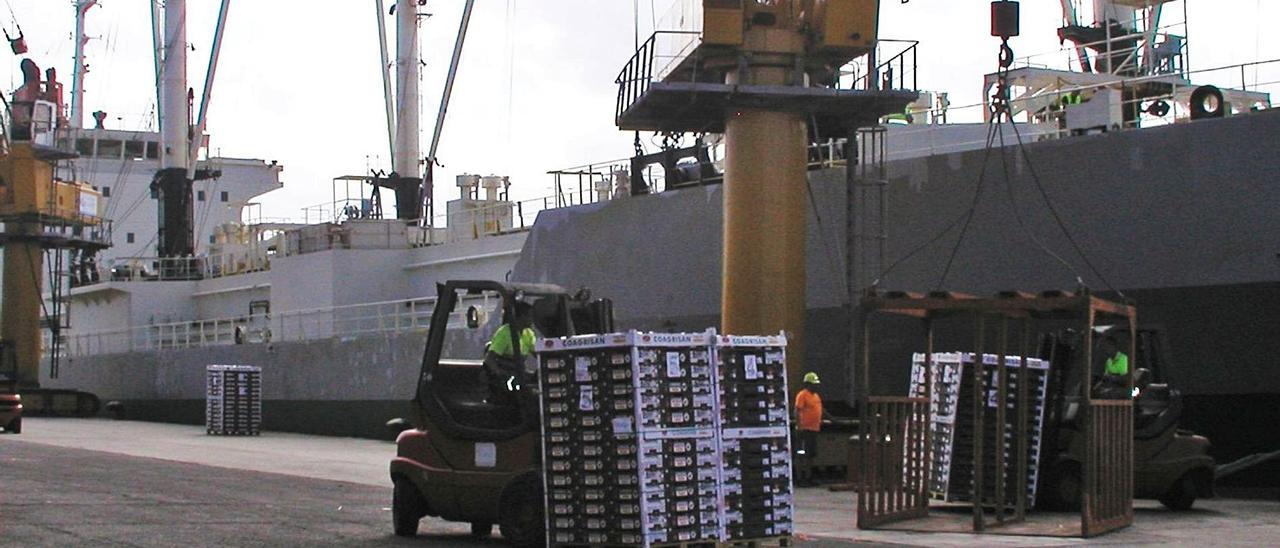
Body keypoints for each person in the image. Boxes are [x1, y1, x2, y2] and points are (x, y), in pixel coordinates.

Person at [484, 301, 536, 405]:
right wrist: (501, 375)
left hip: (519, 374)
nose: (532, 319)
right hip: (506, 376)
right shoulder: (504, 333)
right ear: (520, 317)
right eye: (529, 316)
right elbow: (490, 359)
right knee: (521, 396)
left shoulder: (528, 334)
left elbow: (538, 354)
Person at [793, 371, 824, 486]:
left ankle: (809, 477)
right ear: (808, 384)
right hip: (804, 430)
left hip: (813, 429)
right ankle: (800, 479)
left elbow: (820, 409)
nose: (816, 386)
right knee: (802, 454)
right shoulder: (802, 395)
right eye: (814, 384)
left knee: (810, 455)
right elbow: (797, 411)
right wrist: (799, 426)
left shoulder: (816, 396)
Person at [1095, 335, 1130, 399]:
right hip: (1113, 386)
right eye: (1104, 347)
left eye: (1108, 346)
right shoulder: (1108, 360)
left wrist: (1112, 377)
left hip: (1126, 388)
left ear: (1114, 346)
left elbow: (1125, 378)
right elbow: (1106, 376)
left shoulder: (1123, 358)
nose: (1105, 349)